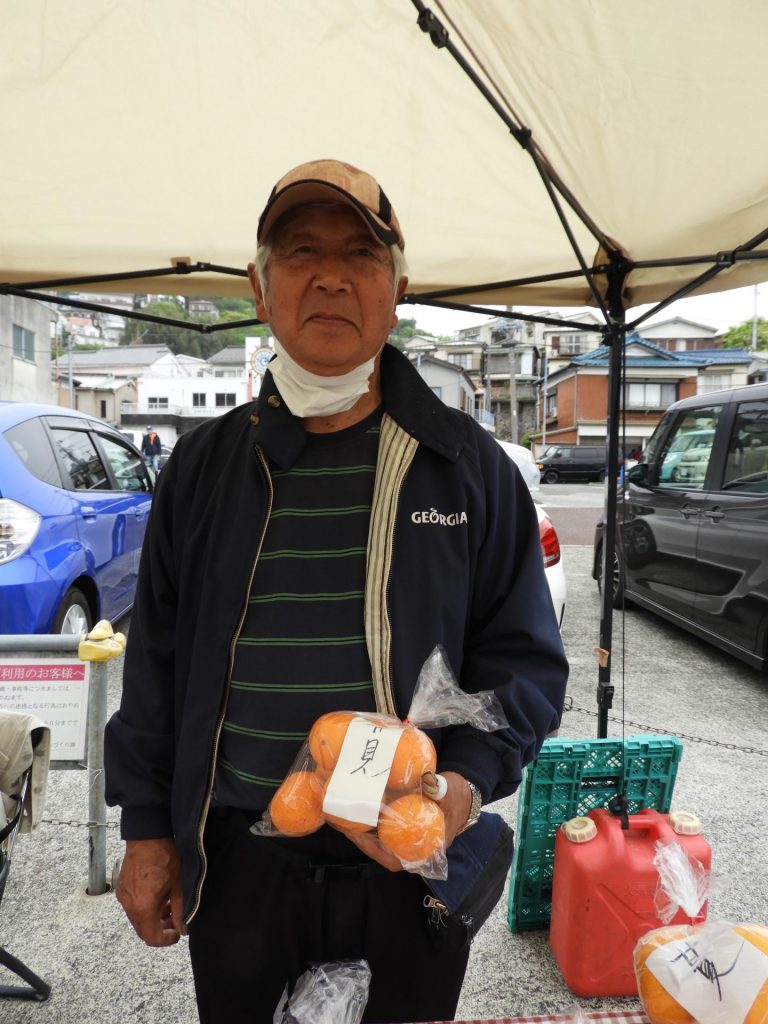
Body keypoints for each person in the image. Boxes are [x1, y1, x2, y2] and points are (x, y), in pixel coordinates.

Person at [105, 159, 568, 1024]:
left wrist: (461, 789)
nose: (328, 274)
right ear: (259, 284)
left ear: (397, 289)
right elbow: (156, 666)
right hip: (240, 864)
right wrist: (146, 833)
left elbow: (525, 668)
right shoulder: (203, 469)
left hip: (407, 869)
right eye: (299, 249)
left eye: (359, 253)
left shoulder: (471, 471)